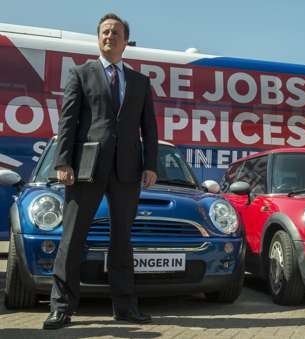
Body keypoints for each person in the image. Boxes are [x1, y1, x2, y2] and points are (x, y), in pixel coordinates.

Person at [43, 13, 158, 330]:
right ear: (98, 38)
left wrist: (150, 165)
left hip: (127, 171)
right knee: (73, 237)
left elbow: (149, 127)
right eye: (105, 32)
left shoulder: (139, 82)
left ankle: (125, 308)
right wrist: (62, 161)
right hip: (86, 168)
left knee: (122, 239)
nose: (110, 36)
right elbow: (68, 121)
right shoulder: (81, 73)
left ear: (125, 41)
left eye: (116, 32)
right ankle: (61, 307)